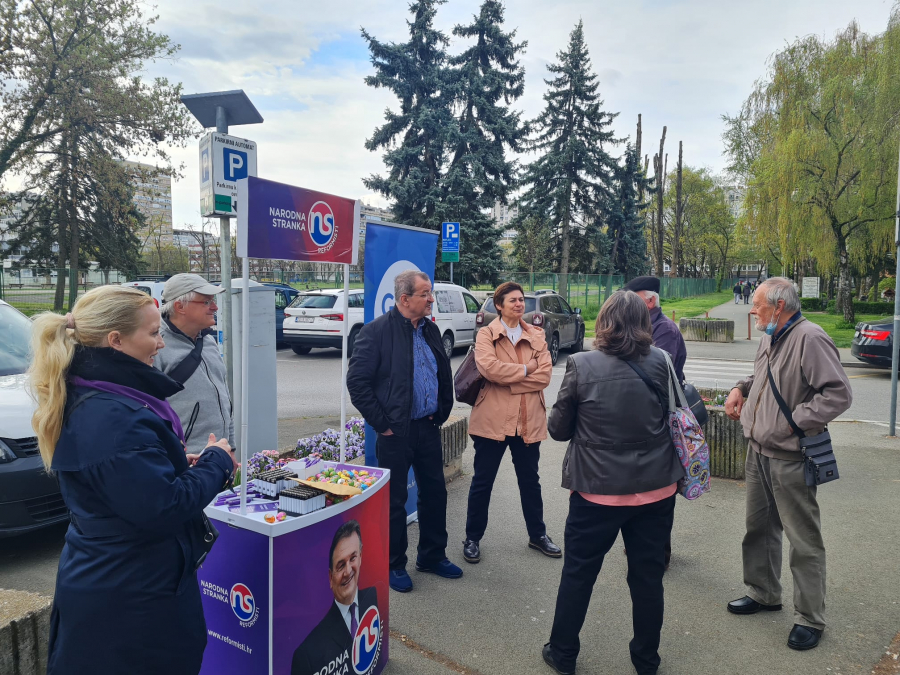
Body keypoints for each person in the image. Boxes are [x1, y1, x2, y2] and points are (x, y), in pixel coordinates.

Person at [29, 285, 237, 675]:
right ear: (116, 340)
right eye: (154, 333)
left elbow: (123, 484)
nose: (160, 343)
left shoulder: (100, 394)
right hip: (130, 597)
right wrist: (217, 463)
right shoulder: (112, 416)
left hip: (123, 580)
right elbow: (164, 507)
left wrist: (174, 464)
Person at [542, 291, 685, 675]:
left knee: (579, 574)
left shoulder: (582, 364)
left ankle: (563, 652)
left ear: (604, 321)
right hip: (656, 489)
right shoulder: (661, 361)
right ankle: (646, 660)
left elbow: (557, 430)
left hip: (596, 491)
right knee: (647, 577)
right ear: (643, 322)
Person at [724, 278, 851, 651]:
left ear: (779, 306)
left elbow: (838, 393)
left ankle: (810, 618)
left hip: (791, 455)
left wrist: (795, 422)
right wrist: (739, 388)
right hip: (758, 450)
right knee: (758, 528)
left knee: (803, 540)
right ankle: (763, 592)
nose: (752, 309)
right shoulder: (770, 335)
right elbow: (763, 379)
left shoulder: (810, 338)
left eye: (758, 304)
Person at [347, 270, 462, 593]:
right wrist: (382, 425)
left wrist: (441, 410)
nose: (431, 299)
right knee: (395, 501)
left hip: (427, 427)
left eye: (431, 293)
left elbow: (439, 373)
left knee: (435, 493)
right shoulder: (376, 333)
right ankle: (394, 563)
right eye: (425, 293)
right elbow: (357, 384)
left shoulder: (430, 329)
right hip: (395, 433)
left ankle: (432, 555)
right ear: (404, 299)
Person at [463, 282, 559, 564]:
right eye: (512, 300)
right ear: (499, 306)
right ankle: (472, 538)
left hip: (527, 421)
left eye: (521, 300)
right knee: (483, 482)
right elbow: (489, 370)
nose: (519, 304)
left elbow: (545, 377)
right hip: (492, 421)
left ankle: (537, 535)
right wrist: (527, 370)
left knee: (531, 482)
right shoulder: (486, 335)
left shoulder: (537, 335)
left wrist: (511, 380)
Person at [154, 273, 235, 455]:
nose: (214, 307)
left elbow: (224, 399)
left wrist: (230, 447)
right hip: (184, 461)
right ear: (179, 306)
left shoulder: (208, 341)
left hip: (219, 455)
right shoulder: (155, 346)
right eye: (206, 302)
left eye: (213, 301)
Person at [291, 521, 379, 675]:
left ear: (361, 557)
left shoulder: (372, 597)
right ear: (330, 578)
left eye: (353, 558)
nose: (348, 571)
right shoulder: (307, 654)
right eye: (340, 565)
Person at [623, 276, 686, 386]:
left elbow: (657, 371)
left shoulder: (665, 329)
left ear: (651, 301)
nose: (626, 303)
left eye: (632, 299)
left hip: (659, 399)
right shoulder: (638, 324)